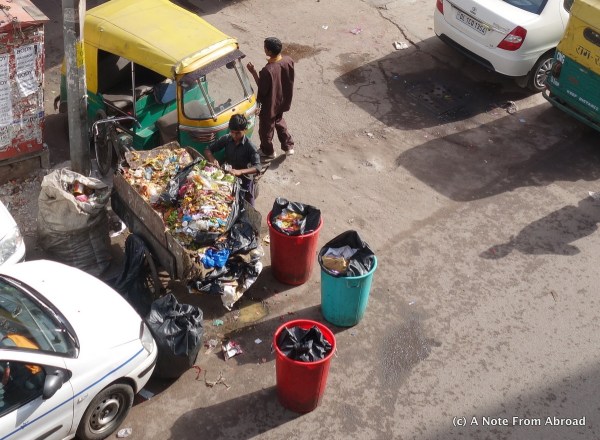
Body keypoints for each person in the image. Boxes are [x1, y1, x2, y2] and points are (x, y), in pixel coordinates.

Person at [246, 37, 295, 159]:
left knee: (266, 129)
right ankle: (288, 146)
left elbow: (262, 89)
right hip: (282, 100)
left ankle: (268, 151)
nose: (264, 49)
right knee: (279, 120)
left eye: (265, 48)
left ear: (269, 52)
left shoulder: (267, 70)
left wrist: (253, 72)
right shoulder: (288, 60)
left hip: (270, 104)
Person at [203, 114, 261, 206]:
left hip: (245, 178)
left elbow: (258, 167)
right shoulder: (227, 139)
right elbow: (208, 149)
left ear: (245, 130)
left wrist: (240, 172)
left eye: (238, 133)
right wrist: (212, 159)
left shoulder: (250, 146)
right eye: (232, 132)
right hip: (229, 174)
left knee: (248, 204)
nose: (234, 135)